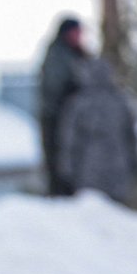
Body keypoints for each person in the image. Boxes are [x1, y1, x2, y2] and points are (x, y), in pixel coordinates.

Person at [55, 50, 137, 205]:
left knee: (91, 221)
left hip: (88, 175)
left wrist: (67, 171)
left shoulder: (78, 104)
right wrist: (135, 165)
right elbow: (132, 138)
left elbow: (70, 141)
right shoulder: (120, 102)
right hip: (118, 174)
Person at [35, 16, 87, 197]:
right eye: (76, 32)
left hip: (74, 119)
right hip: (55, 117)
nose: (80, 36)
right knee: (57, 161)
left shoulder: (78, 54)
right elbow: (55, 85)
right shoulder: (58, 53)